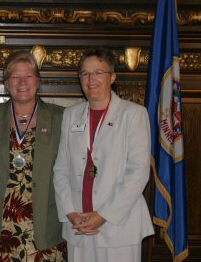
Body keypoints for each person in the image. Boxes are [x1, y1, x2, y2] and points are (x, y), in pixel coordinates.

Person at [53, 48, 154, 262]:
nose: (91, 80)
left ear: (113, 77)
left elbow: (138, 173)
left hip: (119, 225)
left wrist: (103, 216)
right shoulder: (70, 115)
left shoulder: (133, 114)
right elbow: (61, 168)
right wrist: (70, 212)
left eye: (98, 72)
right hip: (78, 225)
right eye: (85, 74)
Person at [0, 51, 67, 261]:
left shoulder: (60, 117)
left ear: (38, 80)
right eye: (15, 77)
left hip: (43, 225)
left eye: (28, 76)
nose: (22, 82)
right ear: (6, 83)